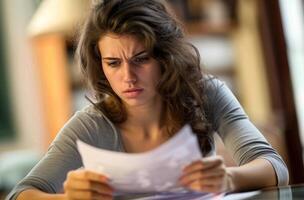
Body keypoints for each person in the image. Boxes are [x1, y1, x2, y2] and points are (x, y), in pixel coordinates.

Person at [7, 0, 289, 199]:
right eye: (113, 62)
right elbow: (20, 194)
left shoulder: (207, 94)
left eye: (141, 59)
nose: (128, 76)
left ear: (166, 58)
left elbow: (275, 167)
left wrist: (229, 178)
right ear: (100, 65)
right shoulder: (90, 124)